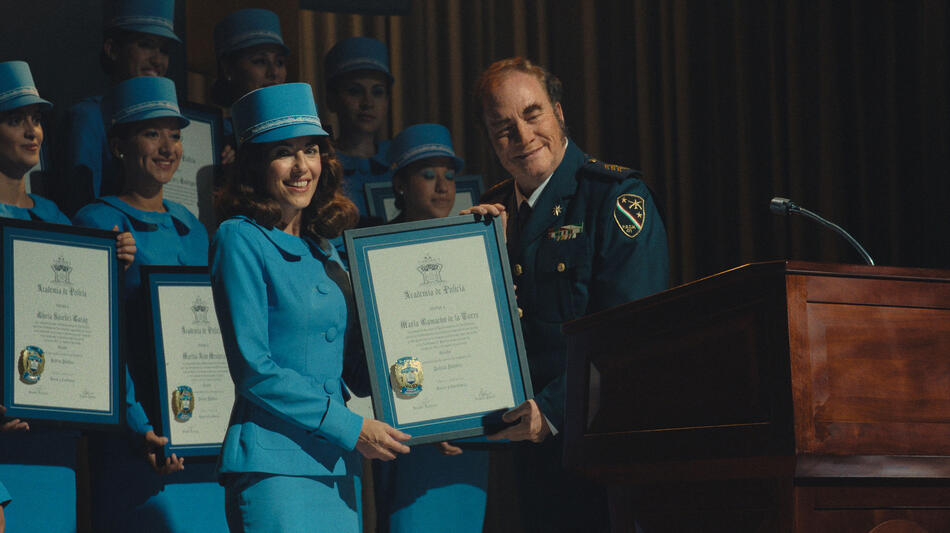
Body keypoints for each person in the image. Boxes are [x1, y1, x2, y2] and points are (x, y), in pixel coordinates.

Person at [465, 57, 670, 532]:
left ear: (559, 112)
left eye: (532, 114)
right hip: (520, 455)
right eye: (503, 128)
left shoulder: (614, 198)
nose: (522, 136)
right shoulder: (488, 220)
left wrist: (553, 410)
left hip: (602, 448)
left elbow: (629, 335)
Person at [210, 82, 411, 532]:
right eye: (285, 151)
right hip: (275, 469)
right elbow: (254, 370)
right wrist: (352, 427)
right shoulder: (239, 238)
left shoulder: (328, 249)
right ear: (257, 162)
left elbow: (356, 364)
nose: (303, 167)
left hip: (338, 469)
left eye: (312, 150)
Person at [73, 75, 226, 532]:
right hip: (138, 444)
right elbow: (98, 342)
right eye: (151, 132)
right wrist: (139, 426)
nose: (168, 147)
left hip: (201, 440)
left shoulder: (195, 228)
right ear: (119, 144)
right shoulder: (97, 222)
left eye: (176, 135)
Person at [0, 59, 136, 533]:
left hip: (52, 438)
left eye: (36, 119)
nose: (32, 131)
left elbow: (89, 323)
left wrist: (111, 265)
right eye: (16, 119)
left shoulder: (59, 220)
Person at [375, 123, 488, 533]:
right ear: (400, 185)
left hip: (469, 437)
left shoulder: (473, 246)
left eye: (449, 176)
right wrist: (427, 419)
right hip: (409, 433)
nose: (443, 187)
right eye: (427, 175)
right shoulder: (376, 252)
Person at [59, 0, 180, 215]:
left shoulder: (172, 117)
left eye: (163, 50)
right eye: (145, 44)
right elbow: (81, 204)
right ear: (113, 49)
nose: (156, 59)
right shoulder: (90, 116)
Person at [324, 36, 394, 225]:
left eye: (377, 92)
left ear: (387, 101)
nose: (367, 103)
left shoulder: (402, 162)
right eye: (355, 91)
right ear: (332, 99)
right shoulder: (321, 167)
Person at [211, 8, 290, 165]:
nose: (273, 72)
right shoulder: (213, 136)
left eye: (279, 62)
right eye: (260, 61)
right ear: (228, 68)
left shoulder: (298, 133)